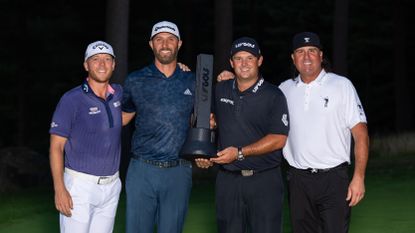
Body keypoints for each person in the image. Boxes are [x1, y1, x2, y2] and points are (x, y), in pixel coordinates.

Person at [196, 37, 290, 233]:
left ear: (260, 60)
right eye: (239, 58)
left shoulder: (274, 95)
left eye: (249, 58)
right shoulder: (220, 89)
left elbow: (279, 138)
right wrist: (203, 153)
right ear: (231, 63)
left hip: (264, 181)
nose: (244, 64)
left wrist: (239, 153)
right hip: (228, 181)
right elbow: (205, 122)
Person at [278, 31, 369, 233]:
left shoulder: (341, 85)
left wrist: (359, 177)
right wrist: (231, 79)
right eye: (300, 52)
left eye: (312, 51)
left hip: (334, 180)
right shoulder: (284, 89)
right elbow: (256, 104)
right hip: (298, 181)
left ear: (321, 56)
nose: (307, 57)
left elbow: (361, 135)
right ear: (293, 59)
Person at [121, 21, 195, 233]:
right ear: (151, 44)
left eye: (170, 39)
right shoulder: (135, 80)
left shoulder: (192, 80)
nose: (165, 44)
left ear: (179, 44)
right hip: (142, 170)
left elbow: (206, 120)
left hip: (178, 171)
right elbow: (122, 118)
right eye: (159, 39)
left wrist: (225, 76)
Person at [49, 40, 122, 233]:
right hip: (79, 187)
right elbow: (56, 147)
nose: (102, 64)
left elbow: (127, 114)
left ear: (114, 65)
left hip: (111, 186)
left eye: (107, 59)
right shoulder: (71, 99)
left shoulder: (119, 95)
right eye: (95, 59)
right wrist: (59, 189)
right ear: (86, 65)